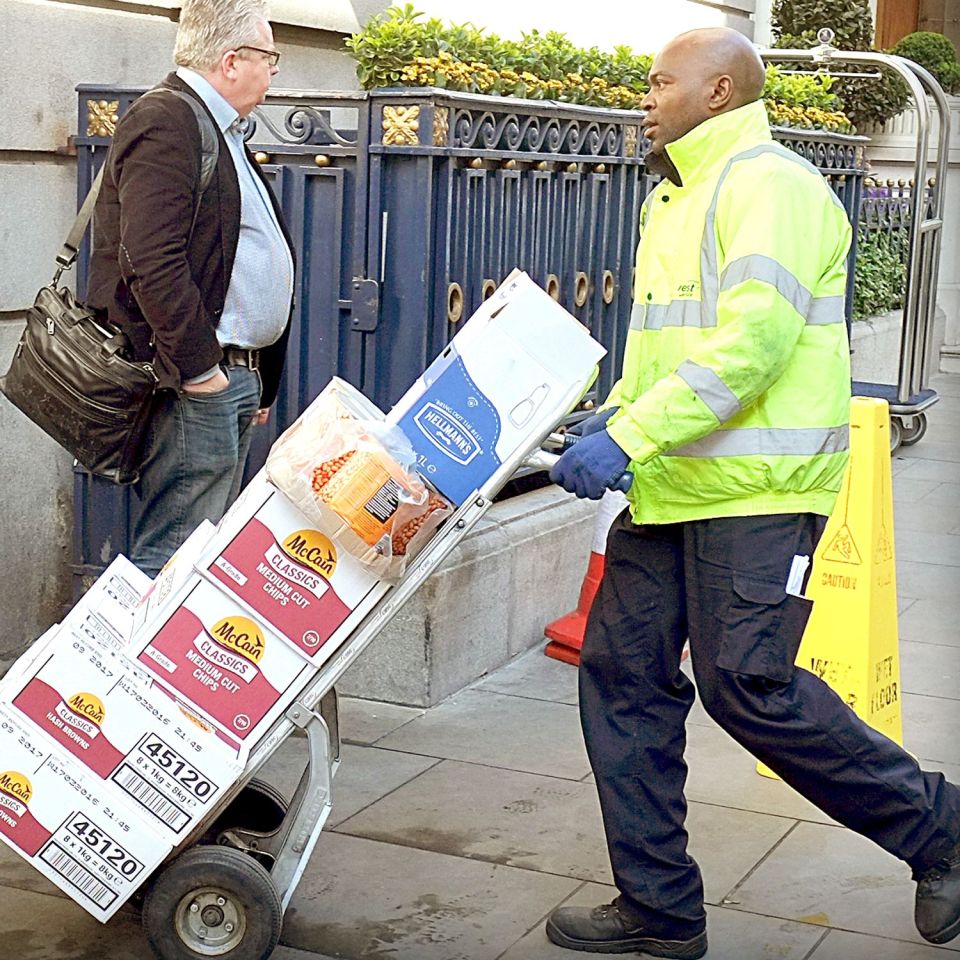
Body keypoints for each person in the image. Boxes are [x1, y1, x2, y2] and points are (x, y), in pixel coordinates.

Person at [547, 26, 960, 960]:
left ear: (720, 90)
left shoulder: (768, 185)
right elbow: (671, 351)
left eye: (660, 82)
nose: (644, 98)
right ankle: (658, 910)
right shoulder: (678, 197)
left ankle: (943, 833)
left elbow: (754, 346)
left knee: (750, 686)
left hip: (759, 490)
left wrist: (634, 433)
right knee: (621, 676)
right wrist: (611, 416)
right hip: (675, 485)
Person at [87, 0, 294, 577]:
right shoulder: (168, 119)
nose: (274, 70)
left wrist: (259, 375)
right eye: (268, 56)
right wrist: (204, 371)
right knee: (172, 557)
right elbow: (152, 259)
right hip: (194, 383)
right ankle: (131, 668)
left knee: (199, 555)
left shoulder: (218, 126)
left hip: (231, 379)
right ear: (231, 61)